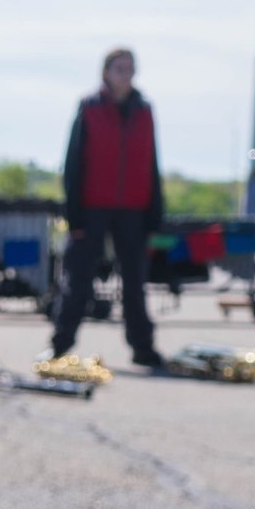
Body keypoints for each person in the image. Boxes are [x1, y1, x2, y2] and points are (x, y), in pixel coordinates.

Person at [51, 47, 165, 368]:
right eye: (119, 67)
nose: (124, 73)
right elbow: (73, 163)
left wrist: (155, 213)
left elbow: (151, 163)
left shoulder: (144, 110)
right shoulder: (89, 108)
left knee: (134, 282)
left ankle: (143, 347)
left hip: (133, 209)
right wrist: (74, 214)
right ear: (105, 72)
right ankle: (61, 345)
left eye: (130, 68)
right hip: (92, 207)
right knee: (78, 280)